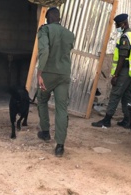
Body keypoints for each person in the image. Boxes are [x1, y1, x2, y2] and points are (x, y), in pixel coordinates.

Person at [37, 7, 75, 157]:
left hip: (48, 74)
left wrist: (40, 72)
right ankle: (60, 146)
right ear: (59, 18)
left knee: (41, 100)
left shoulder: (45, 30)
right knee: (61, 108)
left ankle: (45, 132)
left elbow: (44, 51)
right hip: (64, 74)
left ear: (48, 18)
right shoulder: (70, 34)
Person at [91, 13, 131, 129]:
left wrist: (116, 75)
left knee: (115, 94)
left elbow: (122, 58)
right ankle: (127, 120)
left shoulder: (125, 38)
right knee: (126, 96)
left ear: (123, 24)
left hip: (124, 71)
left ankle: (107, 120)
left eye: (117, 24)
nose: (117, 26)